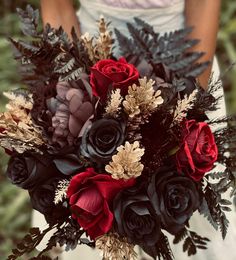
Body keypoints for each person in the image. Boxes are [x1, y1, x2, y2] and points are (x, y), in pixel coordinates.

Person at [37, 1, 236, 260]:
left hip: (183, 71)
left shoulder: (187, 91)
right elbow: (58, 9)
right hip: (87, 73)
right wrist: (74, 104)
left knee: (184, 207)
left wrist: (185, 115)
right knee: (91, 219)